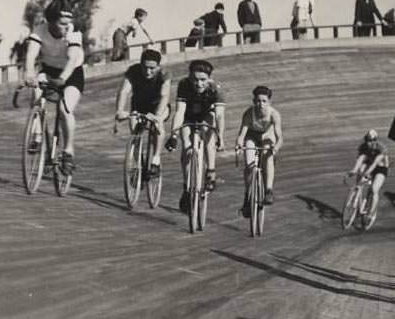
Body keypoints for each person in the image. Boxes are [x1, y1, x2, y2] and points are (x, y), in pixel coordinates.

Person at [23, 0, 85, 173]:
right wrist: (28, 73)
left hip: (72, 74)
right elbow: (31, 55)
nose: (67, 27)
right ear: (50, 21)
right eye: (62, 24)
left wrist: (63, 78)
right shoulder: (40, 31)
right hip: (49, 70)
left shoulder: (74, 31)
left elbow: (73, 58)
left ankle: (68, 151)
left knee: (65, 109)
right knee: (36, 93)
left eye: (68, 23)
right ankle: (38, 135)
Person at [165, 59, 226, 213]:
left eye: (203, 80)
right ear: (190, 77)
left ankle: (211, 170)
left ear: (209, 78)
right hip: (188, 116)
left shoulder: (216, 89)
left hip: (206, 116)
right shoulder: (184, 85)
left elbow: (219, 116)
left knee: (208, 129)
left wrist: (221, 137)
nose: (198, 84)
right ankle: (187, 188)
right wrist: (173, 135)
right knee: (186, 146)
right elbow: (179, 112)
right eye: (195, 80)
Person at [114, 48, 171, 176]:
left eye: (152, 68)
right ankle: (137, 162)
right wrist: (119, 110)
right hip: (139, 106)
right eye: (145, 67)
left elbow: (164, 96)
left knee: (158, 126)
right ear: (140, 64)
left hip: (158, 107)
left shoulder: (164, 74)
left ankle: (156, 159)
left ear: (158, 66)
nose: (148, 71)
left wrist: (157, 116)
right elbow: (124, 91)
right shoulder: (133, 71)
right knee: (134, 132)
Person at [235, 85, 283, 216]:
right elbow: (242, 134)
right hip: (252, 137)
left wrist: (276, 148)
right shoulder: (249, 113)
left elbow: (280, 138)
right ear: (253, 101)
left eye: (264, 101)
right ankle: (247, 195)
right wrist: (239, 145)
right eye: (257, 101)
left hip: (268, 138)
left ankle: (268, 190)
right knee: (249, 165)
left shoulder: (274, 115)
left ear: (269, 102)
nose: (260, 104)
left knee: (268, 156)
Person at [348, 129, 390, 218]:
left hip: (381, 168)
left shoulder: (381, 148)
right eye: (367, 140)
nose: (368, 143)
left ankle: (372, 212)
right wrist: (354, 170)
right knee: (359, 176)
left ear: (376, 140)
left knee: (374, 189)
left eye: (371, 141)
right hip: (369, 164)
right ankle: (357, 197)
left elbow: (375, 164)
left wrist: (367, 173)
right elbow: (359, 159)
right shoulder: (363, 147)